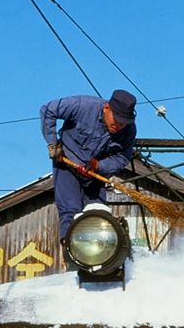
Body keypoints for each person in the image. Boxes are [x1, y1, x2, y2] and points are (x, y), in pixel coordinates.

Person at [40, 90, 137, 241]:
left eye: (123, 123)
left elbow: (123, 157)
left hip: (95, 175)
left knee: (98, 214)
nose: (118, 126)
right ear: (106, 108)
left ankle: (99, 257)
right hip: (66, 164)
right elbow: (48, 110)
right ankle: (71, 254)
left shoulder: (129, 131)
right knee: (70, 211)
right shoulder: (83, 105)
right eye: (116, 120)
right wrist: (53, 144)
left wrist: (99, 165)